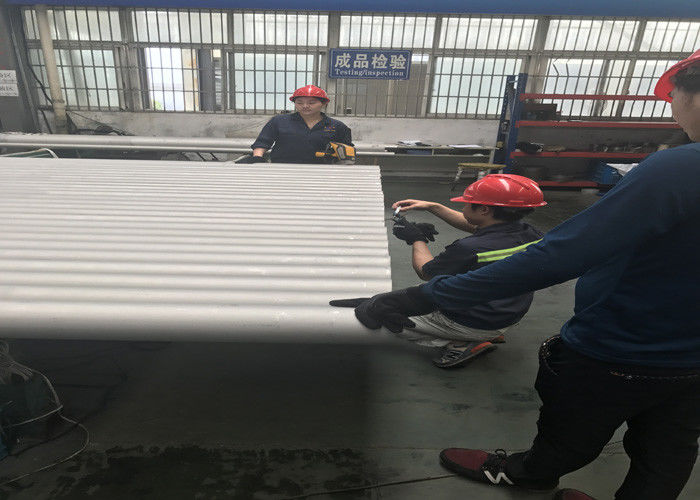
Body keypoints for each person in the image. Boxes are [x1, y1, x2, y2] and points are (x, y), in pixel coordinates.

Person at [334, 50, 700, 500]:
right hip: (691, 355)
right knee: (668, 448)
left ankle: (528, 475)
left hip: (627, 344)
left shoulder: (681, 167)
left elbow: (561, 256)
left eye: (672, 94)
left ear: (693, 92)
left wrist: (419, 297)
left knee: (572, 428)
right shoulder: (520, 229)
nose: (672, 106)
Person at [385, 174, 545, 368]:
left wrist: (416, 238)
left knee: (385, 314)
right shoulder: (532, 234)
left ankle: (463, 340)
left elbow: (426, 272)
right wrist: (433, 207)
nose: (463, 207)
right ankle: (482, 333)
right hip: (507, 312)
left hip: (472, 321)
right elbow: (477, 225)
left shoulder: (469, 248)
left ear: (484, 209)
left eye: (467, 203)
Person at [242, 85, 353, 164]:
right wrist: (257, 158)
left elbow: (347, 152)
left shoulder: (336, 126)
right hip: (282, 169)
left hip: (321, 172)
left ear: (324, 103)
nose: (305, 106)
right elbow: (262, 143)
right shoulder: (279, 121)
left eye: (311, 102)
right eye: (299, 102)